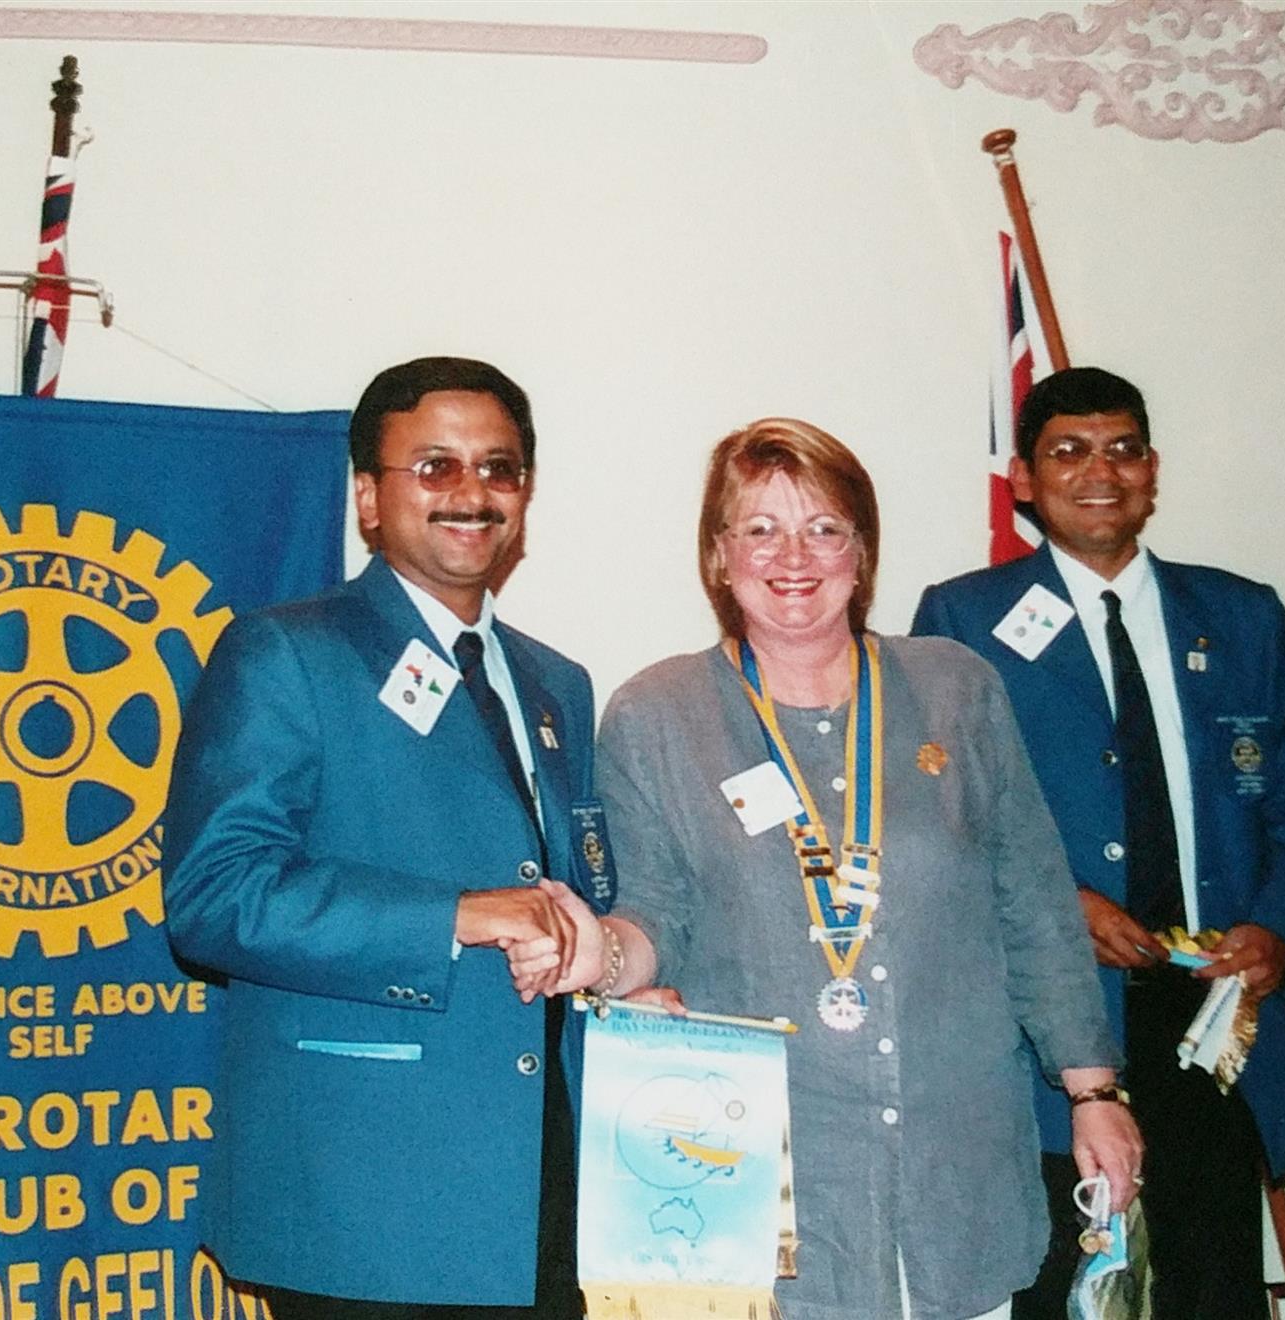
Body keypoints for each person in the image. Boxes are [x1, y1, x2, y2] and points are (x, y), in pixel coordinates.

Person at [577, 417, 1140, 1320]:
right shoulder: (656, 714)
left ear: (862, 550)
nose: (793, 556)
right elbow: (655, 911)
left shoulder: (956, 688)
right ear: (719, 555)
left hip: (959, 1170)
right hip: (758, 1186)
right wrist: (604, 960)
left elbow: (1034, 904)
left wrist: (1094, 1091)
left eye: (824, 528)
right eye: (760, 529)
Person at [162, 356, 610, 1318]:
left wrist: (608, 964)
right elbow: (215, 895)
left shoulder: (557, 685)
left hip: (541, 1190)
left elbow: (571, 888)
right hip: (365, 1199)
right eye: (435, 466)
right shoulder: (286, 651)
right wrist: (455, 916)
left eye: (498, 468)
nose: (471, 493)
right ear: (368, 497)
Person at [913, 367, 1285, 1320]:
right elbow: (942, 826)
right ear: (1024, 480)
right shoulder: (962, 623)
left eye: (1122, 450)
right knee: (1066, 1294)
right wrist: (1060, 906)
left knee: (1214, 1293)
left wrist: (1278, 931)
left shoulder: (1243, 618)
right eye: (1068, 452)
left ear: (1152, 470)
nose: (1099, 472)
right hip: (1053, 1035)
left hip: (1213, 1024)